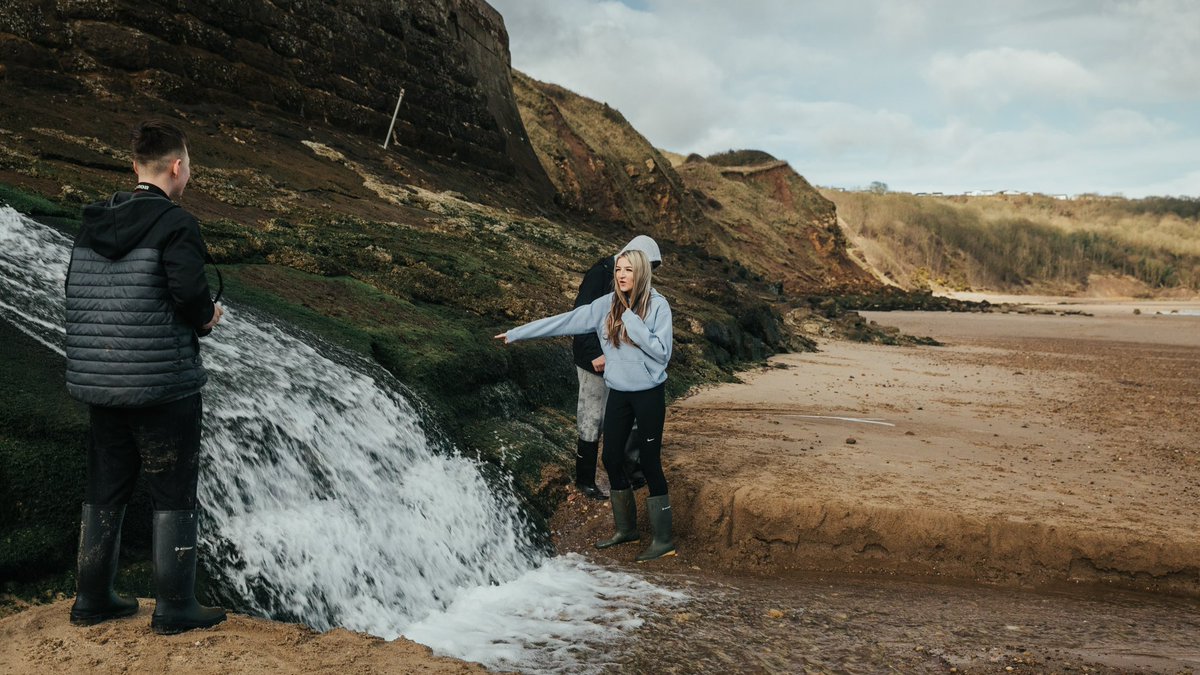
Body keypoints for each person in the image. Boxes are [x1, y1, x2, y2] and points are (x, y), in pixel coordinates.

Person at [65, 120, 227, 634]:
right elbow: (186, 293)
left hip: (102, 381)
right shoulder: (177, 224)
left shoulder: (93, 222)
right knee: (172, 489)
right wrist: (208, 318)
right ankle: (175, 607)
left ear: (136, 166)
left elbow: (77, 289)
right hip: (163, 384)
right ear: (177, 167)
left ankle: (92, 600)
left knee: (105, 486)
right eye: (189, 166)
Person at [496, 247, 676, 561]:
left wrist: (631, 319)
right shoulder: (603, 306)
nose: (621, 275)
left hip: (648, 394)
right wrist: (517, 333)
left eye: (628, 270)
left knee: (649, 462)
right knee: (610, 457)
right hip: (619, 392)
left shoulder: (659, 307)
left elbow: (662, 353)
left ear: (642, 273)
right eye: (618, 269)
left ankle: (663, 540)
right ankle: (626, 529)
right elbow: (565, 322)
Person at [570, 236, 661, 500]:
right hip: (594, 361)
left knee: (625, 415)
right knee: (592, 416)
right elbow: (580, 316)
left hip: (620, 360)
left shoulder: (632, 279)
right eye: (648, 265)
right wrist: (594, 354)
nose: (649, 272)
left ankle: (632, 474)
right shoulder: (599, 275)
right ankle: (584, 480)